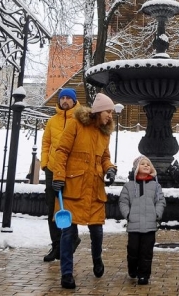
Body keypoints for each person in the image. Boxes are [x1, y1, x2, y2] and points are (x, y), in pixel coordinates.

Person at [50, 93, 119, 290]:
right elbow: (62, 151)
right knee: (68, 233)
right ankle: (67, 274)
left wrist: (110, 169)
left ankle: (97, 259)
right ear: (98, 111)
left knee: (97, 231)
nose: (110, 116)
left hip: (95, 189)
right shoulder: (76, 124)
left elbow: (105, 157)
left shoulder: (104, 133)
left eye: (112, 112)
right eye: (108, 111)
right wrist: (58, 177)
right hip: (73, 187)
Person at [40, 88, 78, 263]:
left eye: (68, 98)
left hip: (71, 170)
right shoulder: (52, 121)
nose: (65, 101)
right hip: (52, 169)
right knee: (52, 208)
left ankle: (71, 239)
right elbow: (46, 143)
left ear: (74, 101)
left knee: (69, 206)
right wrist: (45, 164)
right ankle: (56, 245)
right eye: (62, 98)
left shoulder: (79, 120)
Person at [119, 155, 166, 286]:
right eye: (142, 164)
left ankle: (144, 275)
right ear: (136, 168)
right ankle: (132, 269)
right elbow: (123, 201)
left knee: (146, 251)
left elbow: (160, 201)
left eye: (148, 164)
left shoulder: (156, 186)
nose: (146, 165)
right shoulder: (129, 186)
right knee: (133, 250)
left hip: (150, 225)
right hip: (134, 225)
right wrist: (128, 214)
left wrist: (157, 214)